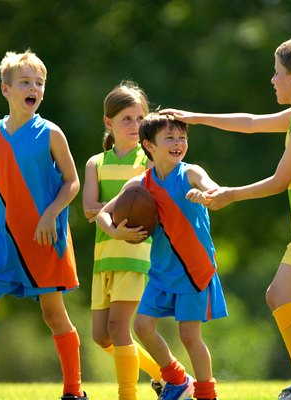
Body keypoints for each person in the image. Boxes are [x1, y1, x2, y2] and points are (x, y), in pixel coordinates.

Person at [162, 37, 291, 400]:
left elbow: (279, 181)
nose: (272, 80)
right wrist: (197, 118)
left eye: (277, 73)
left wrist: (229, 194)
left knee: (278, 295)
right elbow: (252, 123)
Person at [0, 50, 87, 400]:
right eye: (25, 81)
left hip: (43, 236)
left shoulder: (52, 134)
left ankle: (74, 392)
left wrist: (50, 214)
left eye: (39, 83)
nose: (33, 88)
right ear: (5, 89)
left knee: (54, 315)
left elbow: (72, 182)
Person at [96, 113, 226, 400]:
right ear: (149, 146)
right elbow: (104, 214)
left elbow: (212, 187)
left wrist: (206, 196)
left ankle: (206, 393)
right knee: (142, 326)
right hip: (162, 271)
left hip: (195, 270)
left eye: (182, 138)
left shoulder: (190, 173)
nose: (178, 143)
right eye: (169, 138)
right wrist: (116, 233)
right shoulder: (141, 184)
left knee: (189, 336)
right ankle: (176, 378)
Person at [81, 80, 164, 400]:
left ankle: (127, 395)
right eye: (126, 119)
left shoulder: (149, 163)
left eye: (140, 118)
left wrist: (108, 213)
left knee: (119, 328)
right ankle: (167, 374)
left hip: (136, 254)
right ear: (108, 123)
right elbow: (89, 209)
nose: (134, 125)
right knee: (101, 336)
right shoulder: (95, 164)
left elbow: (157, 206)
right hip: (104, 257)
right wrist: (114, 217)